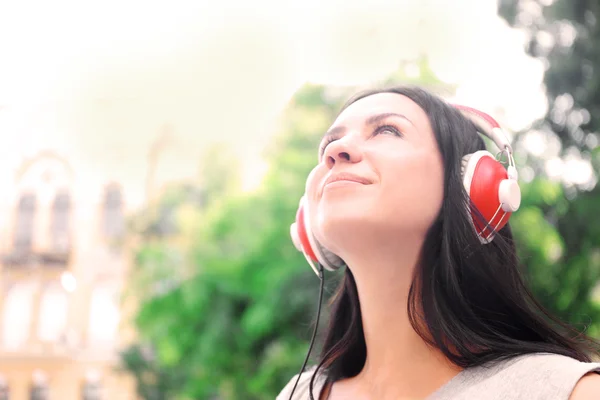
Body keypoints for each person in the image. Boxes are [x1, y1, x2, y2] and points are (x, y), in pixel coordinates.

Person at [277, 86, 600, 400]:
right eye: (329, 144)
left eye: (387, 130)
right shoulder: (299, 393)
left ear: (471, 186)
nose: (336, 151)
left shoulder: (567, 391)